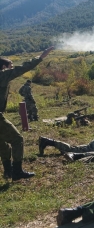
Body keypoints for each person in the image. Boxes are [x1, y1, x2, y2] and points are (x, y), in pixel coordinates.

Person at [0, 47, 54, 181]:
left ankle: (8, 172)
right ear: (4, 67)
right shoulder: (3, 75)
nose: (12, 68)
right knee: (17, 140)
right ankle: (17, 171)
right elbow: (23, 68)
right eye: (10, 66)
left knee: (3, 145)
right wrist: (41, 57)